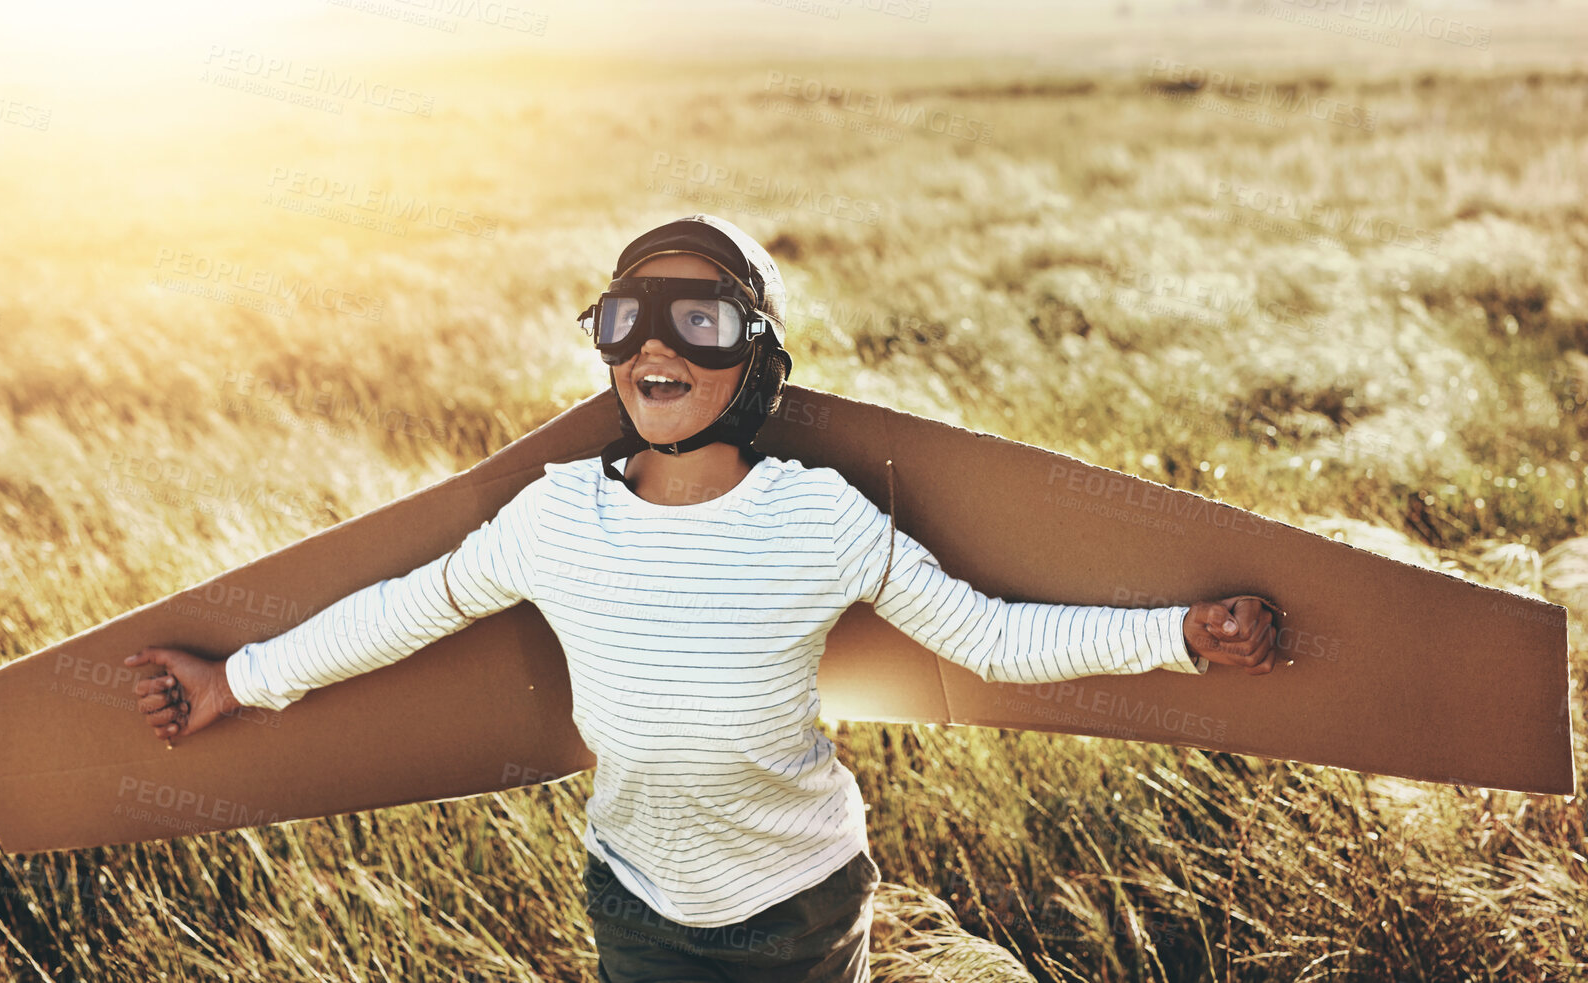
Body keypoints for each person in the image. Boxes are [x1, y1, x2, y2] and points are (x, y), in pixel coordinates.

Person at [128, 214, 1279, 982]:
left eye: (701, 319)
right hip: (636, 904)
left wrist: (1175, 636)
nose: (654, 347)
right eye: (626, 319)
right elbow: (403, 608)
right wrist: (235, 679)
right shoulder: (552, 515)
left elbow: (985, 633)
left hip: (801, 906)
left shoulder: (819, 516)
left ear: (754, 358)